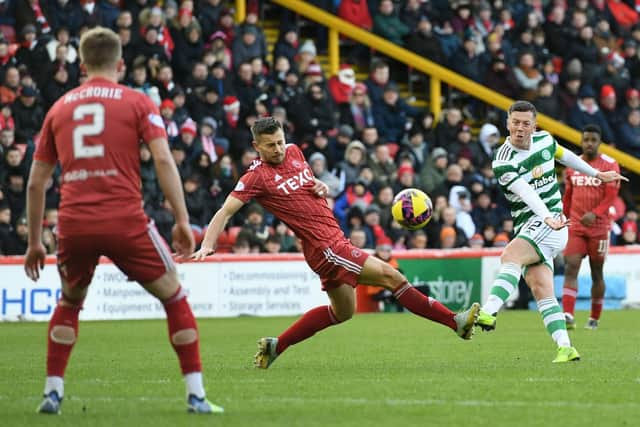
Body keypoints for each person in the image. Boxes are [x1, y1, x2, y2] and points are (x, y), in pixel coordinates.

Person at [24, 27, 223, 415]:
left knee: (69, 302)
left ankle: (52, 392)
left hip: (75, 223)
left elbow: (36, 183)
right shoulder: (138, 102)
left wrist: (34, 242)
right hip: (124, 220)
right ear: (120, 63)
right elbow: (164, 160)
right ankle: (196, 396)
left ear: (81, 64)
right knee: (174, 295)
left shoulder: (60, 107)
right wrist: (182, 219)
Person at [191, 117, 480, 369]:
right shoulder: (256, 177)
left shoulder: (294, 152)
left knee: (343, 312)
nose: (278, 149)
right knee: (394, 277)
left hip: (330, 243)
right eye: (270, 145)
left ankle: (276, 346)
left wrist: (320, 185)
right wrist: (207, 244)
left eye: (280, 142)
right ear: (257, 146)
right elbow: (225, 211)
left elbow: (307, 183)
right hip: (326, 247)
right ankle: (455, 321)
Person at [476, 101, 626, 363]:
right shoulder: (503, 160)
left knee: (510, 256)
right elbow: (526, 192)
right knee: (541, 288)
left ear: (534, 126)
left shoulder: (545, 140)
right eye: (515, 122)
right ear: (507, 124)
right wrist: (546, 217)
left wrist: (596, 174)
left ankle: (488, 311)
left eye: (525, 123)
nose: (520, 128)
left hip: (549, 224)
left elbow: (565, 155)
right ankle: (565, 347)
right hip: (538, 223)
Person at [562, 125, 620, 330]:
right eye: (586, 139)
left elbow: (611, 195)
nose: (589, 143)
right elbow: (568, 196)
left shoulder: (610, 165)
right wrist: (564, 219)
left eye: (593, 140)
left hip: (599, 228)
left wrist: (595, 213)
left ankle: (594, 318)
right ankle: (568, 314)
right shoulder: (572, 165)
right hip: (576, 226)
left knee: (597, 273)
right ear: (581, 141)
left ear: (599, 142)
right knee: (571, 267)